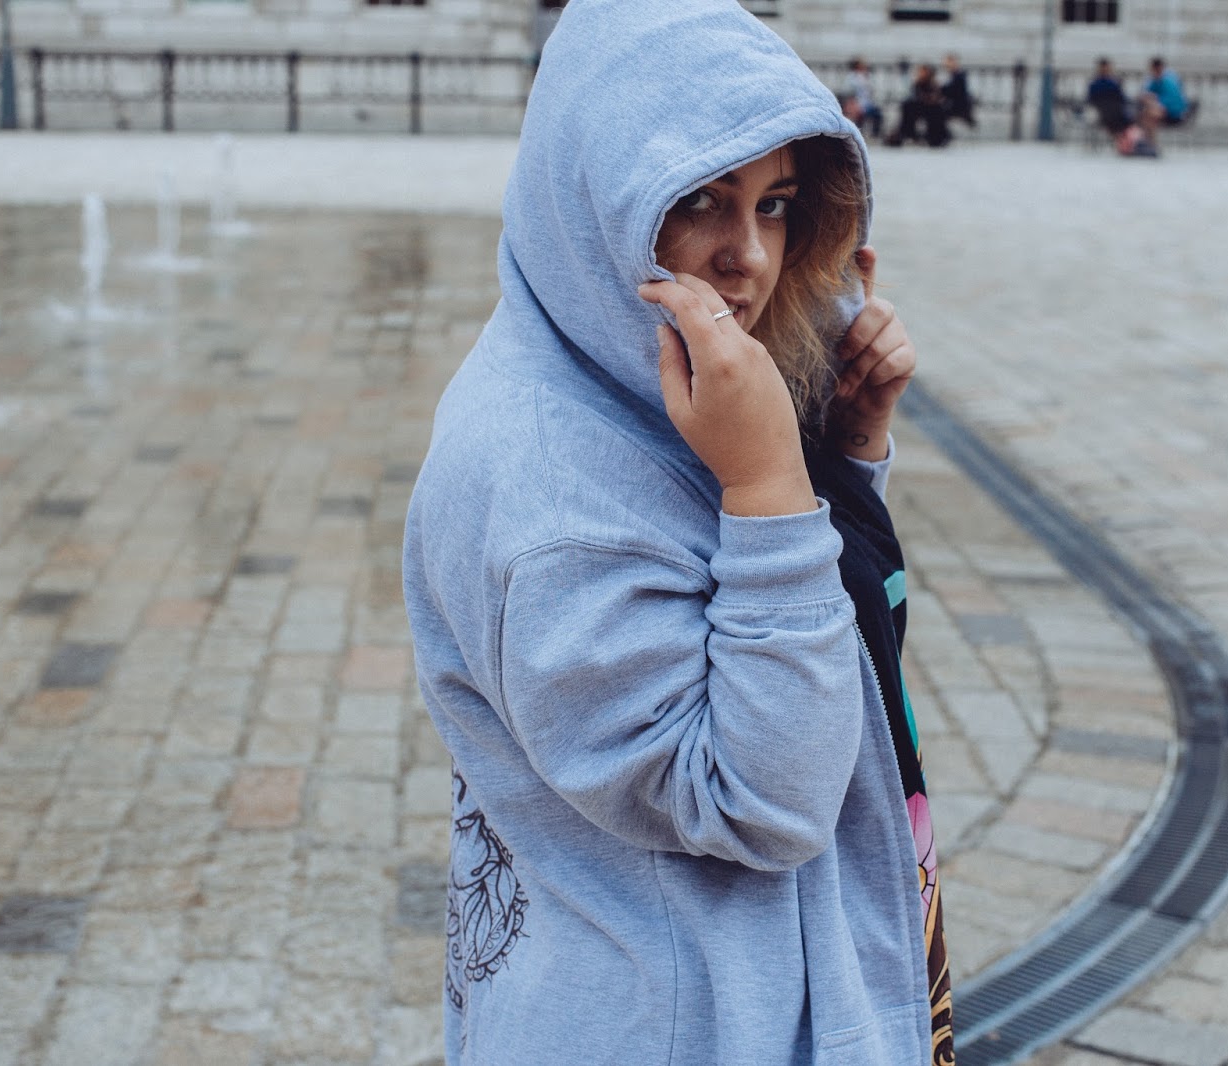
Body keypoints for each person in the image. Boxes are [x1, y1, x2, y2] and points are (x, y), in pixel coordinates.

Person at [402, 1, 951, 1063]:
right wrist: (768, 482)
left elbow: (830, 664)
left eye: (776, 205)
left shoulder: (657, 391)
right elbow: (764, 802)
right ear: (594, 198)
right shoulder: (549, 497)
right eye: (699, 200)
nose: (749, 257)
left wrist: (838, 452)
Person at [886, 62, 950, 147]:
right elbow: (919, 96)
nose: (920, 74)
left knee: (935, 112)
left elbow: (936, 97)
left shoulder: (933, 84)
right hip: (921, 108)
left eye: (922, 72)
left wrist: (931, 99)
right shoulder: (918, 83)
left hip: (932, 108)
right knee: (907, 108)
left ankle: (935, 137)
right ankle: (906, 134)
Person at [846, 57, 884, 140]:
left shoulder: (867, 76)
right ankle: (859, 134)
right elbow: (850, 93)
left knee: (878, 114)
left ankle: (875, 134)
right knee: (860, 115)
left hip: (867, 103)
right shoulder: (852, 77)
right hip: (857, 104)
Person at [941, 53, 976, 130]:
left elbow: (953, 91)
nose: (947, 67)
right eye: (946, 65)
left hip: (958, 105)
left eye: (948, 65)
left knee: (937, 111)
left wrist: (940, 92)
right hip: (957, 103)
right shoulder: (956, 75)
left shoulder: (959, 76)